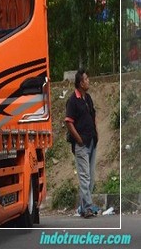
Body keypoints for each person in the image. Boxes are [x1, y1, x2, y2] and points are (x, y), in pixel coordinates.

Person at [65, 68, 98, 219]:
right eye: (86, 79)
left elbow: (93, 116)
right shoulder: (72, 101)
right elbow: (69, 123)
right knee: (84, 177)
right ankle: (88, 208)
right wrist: (78, 140)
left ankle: (84, 208)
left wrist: (95, 134)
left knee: (90, 177)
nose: (88, 81)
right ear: (80, 83)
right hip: (81, 145)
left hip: (91, 142)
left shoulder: (88, 98)